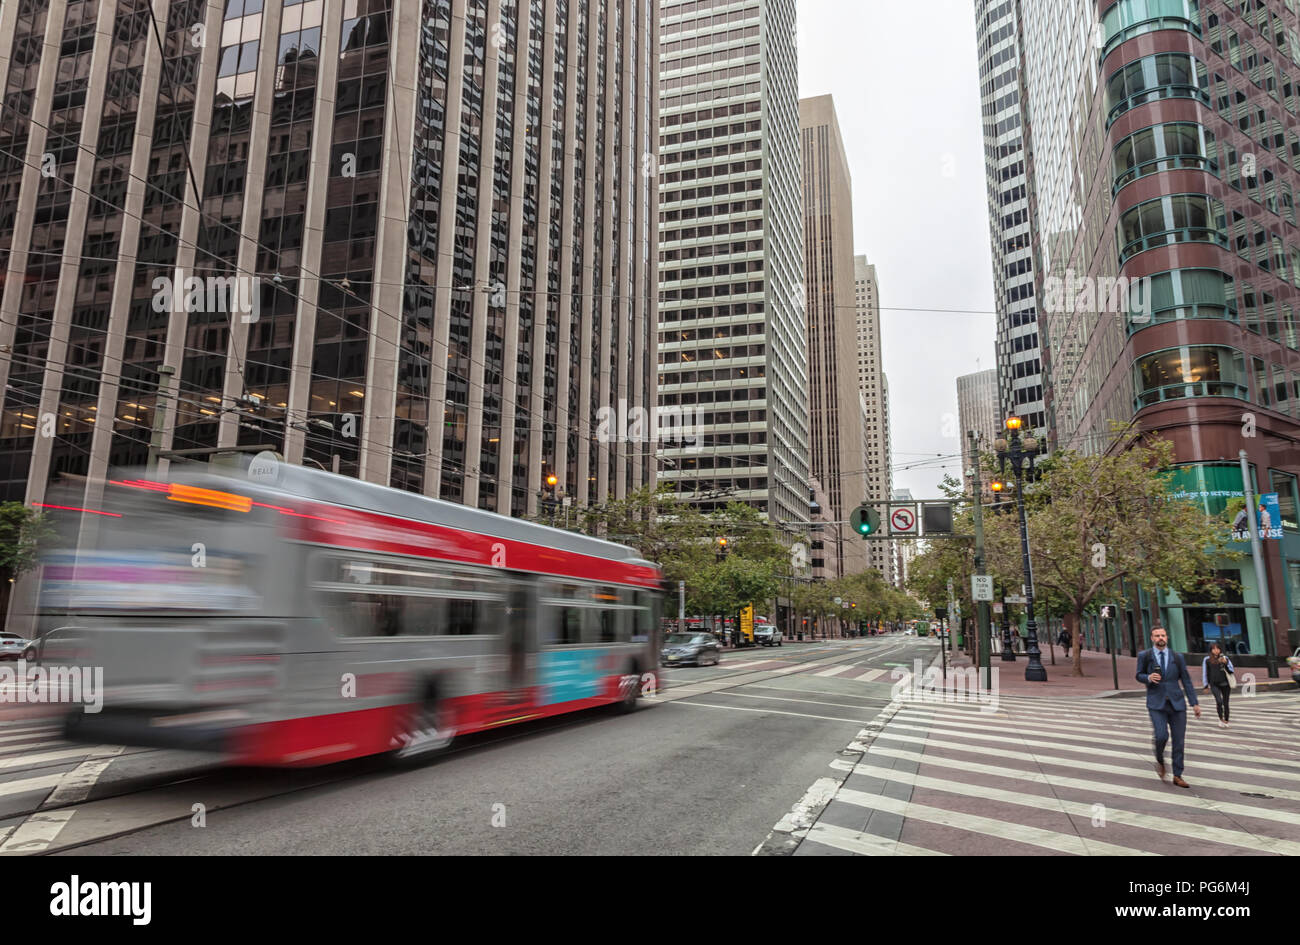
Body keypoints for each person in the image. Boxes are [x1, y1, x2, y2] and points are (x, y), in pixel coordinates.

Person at [1136, 625, 1201, 787]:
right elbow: (1138, 675)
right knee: (1161, 736)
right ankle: (1160, 759)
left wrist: (1194, 703)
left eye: (1163, 635)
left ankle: (1178, 775)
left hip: (1177, 704)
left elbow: (1186, 680)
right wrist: (1149, 677)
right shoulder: (1145, 655)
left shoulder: (1177, 657)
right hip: (1156, 703)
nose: (1160, 638)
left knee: (1179, 741)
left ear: (1167, 637)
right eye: (1157, 636)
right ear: (1152, 638)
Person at [1201, 642, 1235, 729]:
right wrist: (1205, 685)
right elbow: (1205, 673)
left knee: (1226, 703)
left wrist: (1226, 663)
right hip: (1214, 684)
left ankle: (1226, 720)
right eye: (1214, 649)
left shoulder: (1225, 658)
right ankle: (1220, 718)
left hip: (1225, 684)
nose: (1216, 651)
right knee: (1219, 701)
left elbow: (1231, 670)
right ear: (1211, 650)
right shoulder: (1207, 660)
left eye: (1217, 648)